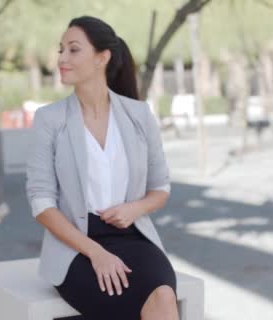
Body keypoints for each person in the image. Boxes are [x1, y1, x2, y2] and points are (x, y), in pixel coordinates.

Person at [26, 15, 178, 320]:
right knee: (130, 305)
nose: (62, 59)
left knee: (162, 297)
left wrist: (134, 209)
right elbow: (41, 203)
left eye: (73, 50)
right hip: (75, 247)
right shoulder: (49, 119)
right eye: (61, 50)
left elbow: (161, 188)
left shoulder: (139, 115)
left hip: (134, 237)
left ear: (102, 58)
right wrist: (96, 253)